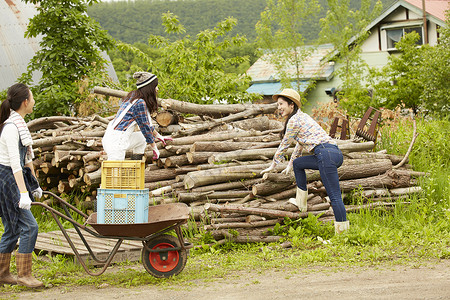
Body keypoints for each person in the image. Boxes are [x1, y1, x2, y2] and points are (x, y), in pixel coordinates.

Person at [261, 88, 349, 234]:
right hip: (332, 153)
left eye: (282, 104)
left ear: (292, 105)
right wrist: (290, 165)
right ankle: (301, 203)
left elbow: (285, 144)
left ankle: (343, 234)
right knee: (298, 164)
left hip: (325, 154)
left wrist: (273, 165)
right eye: (277, 105)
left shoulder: (294, 121)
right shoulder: (301, 118)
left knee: (334, 196)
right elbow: (299, 146)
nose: (279, 108)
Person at [0, 83, 44, 288]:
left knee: (11, 229)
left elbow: (27, 160)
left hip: (15, 177)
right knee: (29, 226)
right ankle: (24, 275)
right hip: (7, 180)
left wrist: (34, 185)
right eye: (32, 98)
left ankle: (2, 273)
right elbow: (15, 164)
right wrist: (23, 194)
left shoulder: (20, 125)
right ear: (25, 102)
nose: (34, 101)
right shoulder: (11, 128)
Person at [102, 71, 172, 161]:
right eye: (155, 86)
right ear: (149, 88)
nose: (157, 89)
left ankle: (136, 162)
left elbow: (147, 124)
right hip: (116, 141)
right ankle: (134, 167)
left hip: (114, 137)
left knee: (141, 138)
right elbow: (145, 127)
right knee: (115, 174)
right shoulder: (140, 103)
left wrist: (159, 137)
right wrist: (154, 147)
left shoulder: (134, 97)